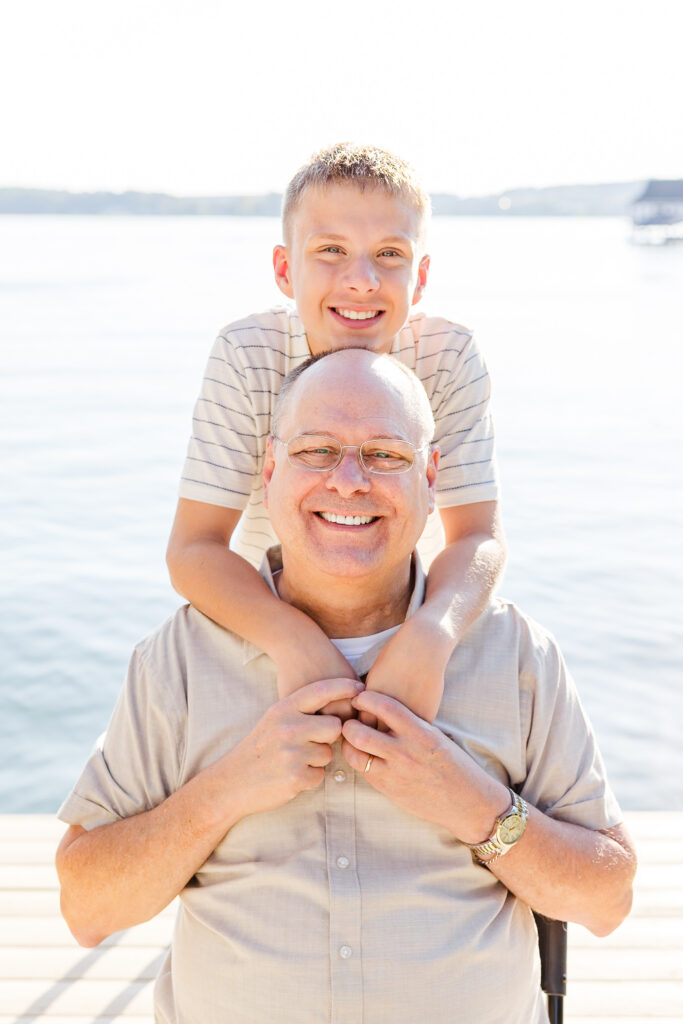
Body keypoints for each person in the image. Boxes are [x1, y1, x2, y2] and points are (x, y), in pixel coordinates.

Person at [57, 349, 636, 1023]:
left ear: (430, 477)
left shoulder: (514, 655)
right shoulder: (179, 658)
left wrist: (473, 804)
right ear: (269, 471)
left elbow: (606, 901)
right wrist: (225, 791)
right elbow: (87, 910)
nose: (349, 480)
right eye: (317, 450)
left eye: (385, 455)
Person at [166, 142, 505, 724]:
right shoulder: (248, 355)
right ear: (284, 269)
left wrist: (432, 633)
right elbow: (193, 551)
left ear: (420, 277)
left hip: (405, 627)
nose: (362, 280)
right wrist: (291, 639)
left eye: (390, 253)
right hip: (266, 621)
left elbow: (478, 536)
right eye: (330, 250)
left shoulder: (448, 355)